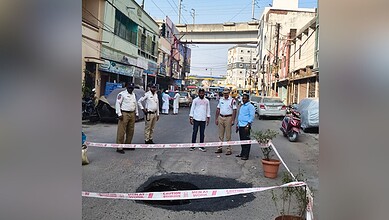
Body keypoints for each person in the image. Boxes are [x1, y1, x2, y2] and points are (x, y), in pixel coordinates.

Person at [115, 83, 139, 154]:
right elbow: (118, 104)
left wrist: (137, 113)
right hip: (124, 113)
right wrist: (119, 113)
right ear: (126, 87)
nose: (130, 89)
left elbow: (135, 104)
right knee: (121, 130)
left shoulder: (134, 95)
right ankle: (119, 146)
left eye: (132, 88)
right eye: (129, 88)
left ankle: (128, 144)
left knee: (131, 130)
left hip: (132, 113)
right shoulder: (121, 94)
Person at [215, 88, 237, 155]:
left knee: (228, 135)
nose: (225, 95)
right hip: (221, 117)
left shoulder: (232, 100)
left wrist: (233, 120)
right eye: (224, 94)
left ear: (229, 93)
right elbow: (218, 109)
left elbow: (234, 110)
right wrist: (216, 118)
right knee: (220, 134)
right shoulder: (221, 99)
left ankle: (229, 149)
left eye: (227, 93)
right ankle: (219, 148)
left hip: (228, 118)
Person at [235, 93, 255, 160]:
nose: (244, 99)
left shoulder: (250, 106)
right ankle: (242, 153)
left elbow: (252, 116)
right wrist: (237, 125)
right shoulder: (242, 106)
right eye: (243, 98)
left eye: (245, 98)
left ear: (248, 99)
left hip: (246, 126)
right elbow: (240, 116)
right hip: (240, 125)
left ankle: (246, 155)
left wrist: (248, 124)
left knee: (246, 141)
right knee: (242, 140)